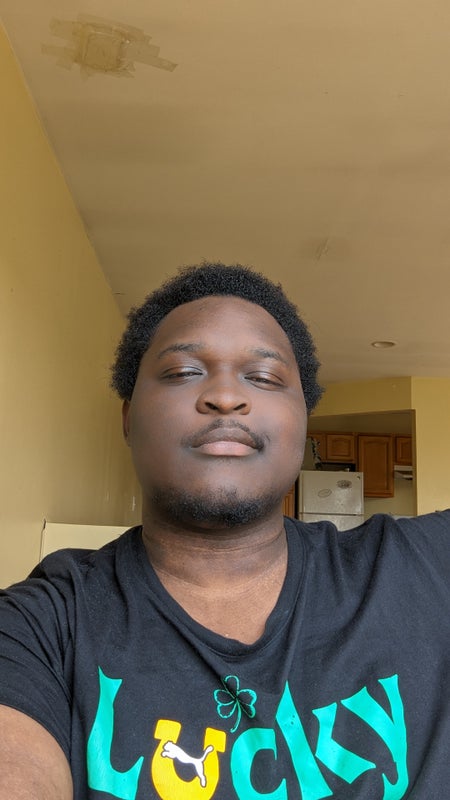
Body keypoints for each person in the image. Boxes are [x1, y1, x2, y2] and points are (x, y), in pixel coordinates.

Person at [0, 262, 449, 800]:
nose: (226, 397)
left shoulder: (425, 566)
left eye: (264, 378)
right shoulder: (40, 627)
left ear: (303, 419)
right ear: (128, 418)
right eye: (183, 371)